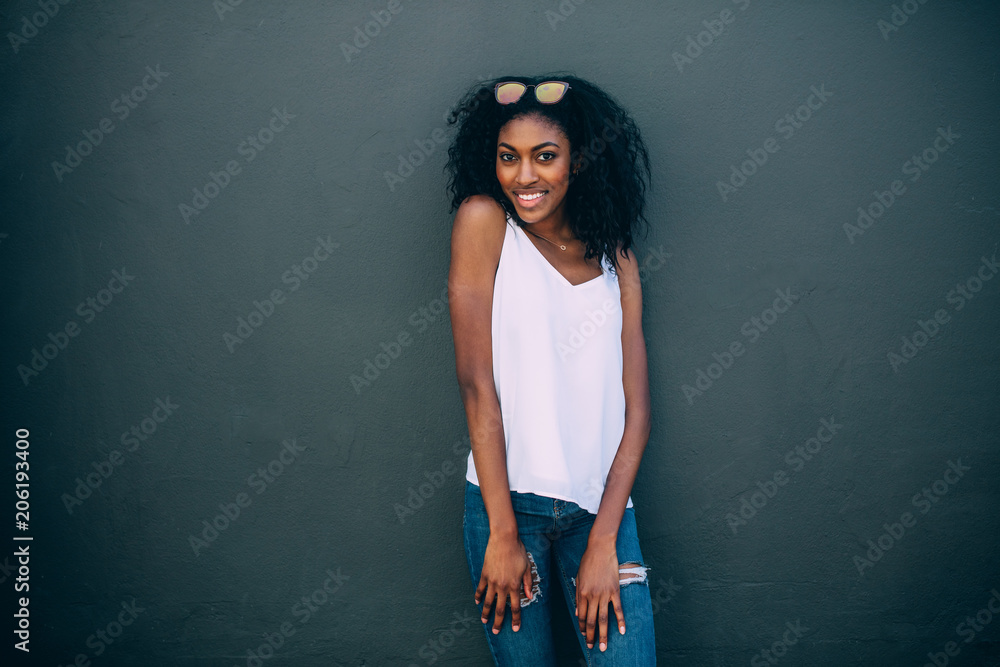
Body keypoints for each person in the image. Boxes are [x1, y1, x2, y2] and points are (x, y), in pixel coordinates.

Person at [444, 73, 657, 665]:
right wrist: (503, 534)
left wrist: (605, 541)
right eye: (508, 158)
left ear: (579, 162)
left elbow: (637, 414)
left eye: (545, 157)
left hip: (603, 512)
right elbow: (476, 386)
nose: (525, 177)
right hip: (508, 510)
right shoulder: (485, 223)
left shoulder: (618, 259)